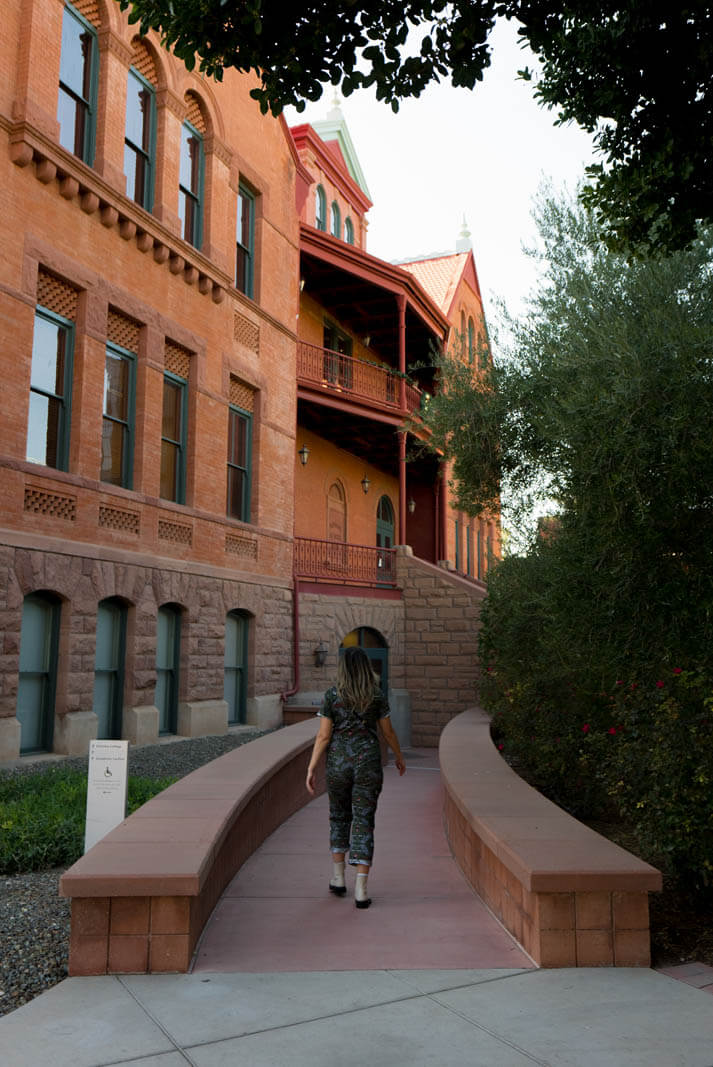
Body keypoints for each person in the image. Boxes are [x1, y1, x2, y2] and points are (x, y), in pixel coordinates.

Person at [305, 646, 406, 908]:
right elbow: (388, 732)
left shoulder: (332, 695)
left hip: (338, 764)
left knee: (338, 815)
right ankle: (361, 890)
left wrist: (312, 766)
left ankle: (338, 879)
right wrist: (398, 756)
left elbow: (324, 736)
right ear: (365, 668)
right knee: (364, 819)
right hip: (368, 765)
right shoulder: (376, 695)